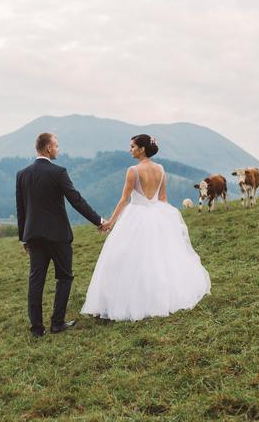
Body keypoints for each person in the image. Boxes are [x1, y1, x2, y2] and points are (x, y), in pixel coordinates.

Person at [80, 134, 210, 321]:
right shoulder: (160, 169)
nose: (130, 150)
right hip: (157, 214)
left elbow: (124, 199)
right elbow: (163, 198)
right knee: (160, 258)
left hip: (136, 216)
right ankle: (160, 297)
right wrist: (166, 219)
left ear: (142, 149)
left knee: (129, 259)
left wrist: (110, 222)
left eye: (132, 146)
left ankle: (130, 300)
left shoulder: (133, 171)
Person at [16, 132, 106, 337]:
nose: (58, 149)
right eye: (56, 145)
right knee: (64, 277)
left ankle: (37, 329)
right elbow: (76, 200)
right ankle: (57, 323)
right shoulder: (58, 172)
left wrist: (24, 237)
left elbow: (21, 209)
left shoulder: (22, 174)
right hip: (58, 236)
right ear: (48, 148)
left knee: (36, 280)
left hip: (34, 235)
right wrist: (99, 221)